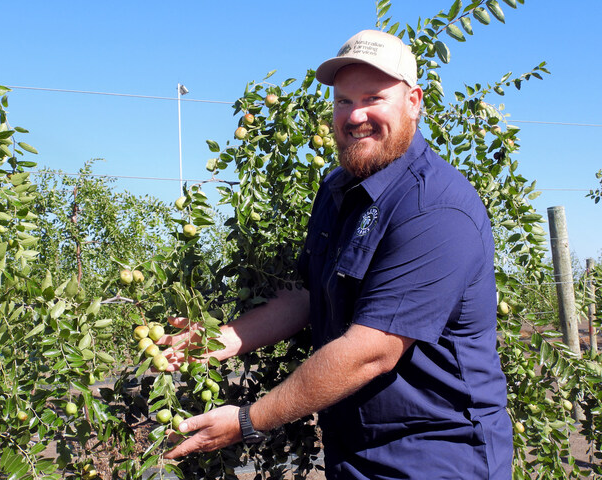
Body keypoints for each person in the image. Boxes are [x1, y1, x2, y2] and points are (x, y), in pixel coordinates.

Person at [156, 29, 513, 479]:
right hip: (354, 453)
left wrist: (248, 420)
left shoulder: (435, 207)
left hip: (437, 457)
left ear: (414, 102)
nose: (355, 115)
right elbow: (309, 296)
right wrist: (217, 341)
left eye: (373, 98)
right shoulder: (337, 188)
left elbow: (371, 351)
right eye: (344, 101)